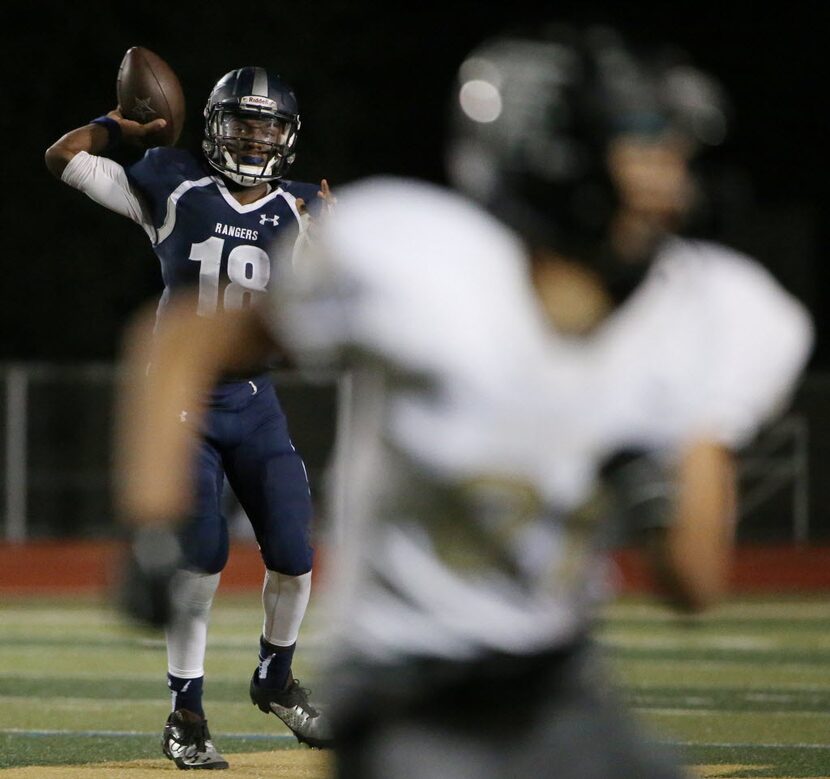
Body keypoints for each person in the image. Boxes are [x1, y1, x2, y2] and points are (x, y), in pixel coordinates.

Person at [113, 23, 813, 779]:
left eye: (673, 149)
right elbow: (188, 337)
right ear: (555, 156)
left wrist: (661, 476)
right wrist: (152, 516)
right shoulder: (418, 260)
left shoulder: (714, 310)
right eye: (645, 144)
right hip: (405, 683)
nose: (672, 178)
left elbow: (694, 584)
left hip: (561, 679)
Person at [45, 65, 333, 769]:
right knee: (199, 562)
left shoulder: (304, 208)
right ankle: (187, 710)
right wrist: (120, 124)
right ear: (213, 127)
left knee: (296, 554)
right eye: (241, 122)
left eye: (266, 126)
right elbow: (64, 157)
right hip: (182, 405)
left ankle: (276, 674)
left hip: (255, 400)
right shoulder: (173, 187)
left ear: (287, 137)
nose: (253, 137)